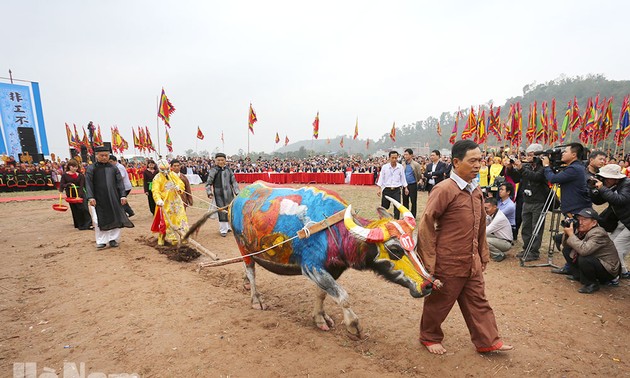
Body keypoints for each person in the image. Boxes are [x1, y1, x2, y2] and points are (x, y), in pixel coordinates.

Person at [417, 140, 512, 354]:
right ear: (456, 162)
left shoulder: (476, 191)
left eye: (480, 160)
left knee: (478, 301)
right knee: (440, 302)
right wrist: (428, 262)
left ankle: (487, 340)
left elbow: (479, 227)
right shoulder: (443, 190)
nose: (478, 164)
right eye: (473, 160)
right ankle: (429, 336)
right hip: (448, 260)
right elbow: (426, 225)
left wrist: (482, 254)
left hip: (472, 260)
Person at [542, 143, 592, 274]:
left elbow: (553, 179)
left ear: (574, 155)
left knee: (572, 241)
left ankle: (574, 269)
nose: (562, 154)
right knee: (571, 240)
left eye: (565, 152)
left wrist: (547, 166)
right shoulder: (575, 167)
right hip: (575, 208)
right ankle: (571, 267)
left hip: (576, 210)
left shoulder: (574, 169)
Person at [561, 208, 620, 293]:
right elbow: (566, 244)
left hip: (608, 270)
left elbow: (584, 250)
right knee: (567, 250)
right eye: (579, 219)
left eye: (584, 220)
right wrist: (568, 233)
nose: (580, 222)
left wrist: (571, 235)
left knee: (584, 258)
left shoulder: (598, 233)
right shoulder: (582, 230)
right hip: (597, 262)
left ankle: (592, 284)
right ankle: (578, 276)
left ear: (594, 223)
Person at [85, 146, 134, 249]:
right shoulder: (91, 168)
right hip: (98, 198)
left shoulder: (113, 168)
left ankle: (113, 239)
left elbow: (119, 182)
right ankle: (101, 241)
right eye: (102, 155)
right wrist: (90, 197)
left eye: (106, 155)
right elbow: (88, 184)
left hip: (113, 197)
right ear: (96, 156)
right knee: (98, 220)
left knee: (115, 217)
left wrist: (123, 195)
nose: (104, 157)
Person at [590, 164, 630, 279]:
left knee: (617, 248)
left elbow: (620, 200)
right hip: (624, 221)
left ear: (615, 178)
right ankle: (622, 271)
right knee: (610, 245)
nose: (603, 180)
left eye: (605, 178)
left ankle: (617, 274)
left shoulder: (627, 184)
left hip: (627, 222)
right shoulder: (613, 186)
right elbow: (598, 202)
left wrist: (603, 188)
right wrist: (593, 189)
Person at [512, 144, 550, 261]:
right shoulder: (527, 167)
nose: (528, 158)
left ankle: (534, 252)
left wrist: (521, 169)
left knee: (536, 228)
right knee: (526, 227)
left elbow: (536, 177)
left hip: (539, 201)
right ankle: (526, 248)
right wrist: (509, 168)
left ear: (539, 156)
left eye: (531, 155)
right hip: (526, 201)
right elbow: (515, 178)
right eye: (527, 155)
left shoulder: (543, 167)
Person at [151, 159, 189, 246]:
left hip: (176, 201)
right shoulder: (157, 178)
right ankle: (163, 237)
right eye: (163, 170)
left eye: (167, 169)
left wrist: (178, 187)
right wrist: (158, 200)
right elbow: (155, 190)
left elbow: (181, 184)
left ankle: (183, 236)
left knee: (181, 218)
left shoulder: (172, 175)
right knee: (166, 221)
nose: (166, 171)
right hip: (165, 202)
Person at [206, 153, 240, 236]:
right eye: (218, 160)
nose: (220, 161)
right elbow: (208, 183)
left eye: (222, 160)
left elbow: (234, 182)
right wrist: (209, 192)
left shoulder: (229, 170)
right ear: (215, 161)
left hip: (229, 194)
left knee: (229, 210)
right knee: (221, 210)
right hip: (218, 194)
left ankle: (228, 227)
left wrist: (237, 192)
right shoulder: (213, 170)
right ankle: (223, 229)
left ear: (225, 160)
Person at [59, 159, 92, 230]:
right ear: (69, 167)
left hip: (81, 193)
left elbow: (82, 185)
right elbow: (62, 185)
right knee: (75, 209)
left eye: (76, 167)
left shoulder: (81, 175)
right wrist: (67, 185)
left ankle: (88, 224)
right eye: (73, 167)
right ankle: (80, 224)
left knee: (84, 208)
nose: (74, 168)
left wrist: (80, 195)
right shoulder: (65, 175)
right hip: (71, 194)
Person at [376, 151, 409, 219]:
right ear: (389, 158)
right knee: (384, 207)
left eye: (395, 158)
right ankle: (383, 221)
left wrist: (406, 187)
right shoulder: (385, 167)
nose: (394, 159)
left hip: (396, 190)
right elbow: (381, 178)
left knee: (397, 207)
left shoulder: (400, 167)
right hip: (386, 189)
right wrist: (379, 188)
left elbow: (403, 178)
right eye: (392, 158)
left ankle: (396, 221)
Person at [484, 197, 513, 262]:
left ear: (494, 207)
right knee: (482, 237)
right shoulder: (491, 214)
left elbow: (486, 231)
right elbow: (484, 225)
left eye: (487, 208)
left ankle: (498, 255)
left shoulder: (499, 218)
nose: (485, 210)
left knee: (484, 239)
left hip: (506, 243)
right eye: (484, 208)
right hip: (499, 238)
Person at [402, 148, 422, 218]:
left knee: (413, 201)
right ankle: (406, 216)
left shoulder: (416, 164)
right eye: (404, 154)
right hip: (405, 185)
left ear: (411, 155)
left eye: (406, 154)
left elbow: (419, 174)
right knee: (405, 201)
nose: (405, 156)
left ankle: (413, 216)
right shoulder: (403, 164)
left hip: (413, 185)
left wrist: (419, 181)